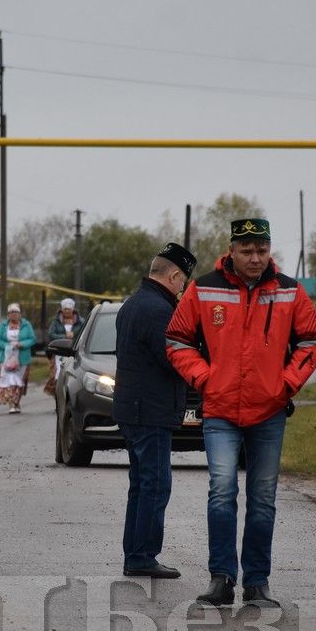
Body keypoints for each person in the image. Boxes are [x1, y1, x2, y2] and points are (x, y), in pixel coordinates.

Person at [166, 218, 316, 608]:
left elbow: (314, 340)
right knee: (222, 491)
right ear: (232, 251)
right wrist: (205, 379)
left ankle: (257, 582)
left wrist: (285, 384)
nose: (255, 258)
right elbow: (176, 339)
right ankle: (221, 578)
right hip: (220, 410)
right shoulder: (204, 288)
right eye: (248, 251)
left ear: (269, 250)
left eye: (262, 250)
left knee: (262, 497)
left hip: (269, 411)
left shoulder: (289, 291)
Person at [114, 243, 196, 580]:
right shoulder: (160, 310)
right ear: (175, 275)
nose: (182, 289)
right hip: (150, 410)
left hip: (132, 409)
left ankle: (135, 552)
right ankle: (143, 556)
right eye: (183, 283)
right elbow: (173, 359)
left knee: (141, 484)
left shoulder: (132, 304)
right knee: (155, 484)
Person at [0, 303, 36, 414]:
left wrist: (21, 344)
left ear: (19, 314)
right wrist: (7, 346)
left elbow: (32, 339)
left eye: (15, 312)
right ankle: (11, 404)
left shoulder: (26, 325)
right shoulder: (3, 326)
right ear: (8, 315)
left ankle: (17, 402)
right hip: (6, 358)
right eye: (11, 312)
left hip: (22, 358)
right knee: (8, 380)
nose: (13, 314)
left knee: (19, 381)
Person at [43, 298, 87, 396]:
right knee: (56, 376)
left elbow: (84, 334)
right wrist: (64, 336)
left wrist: (74, 336)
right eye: (65, 309)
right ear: (62, 309)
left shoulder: (81, 321)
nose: (67, 311)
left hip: (74, 351)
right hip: (58, 352)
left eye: (69, 309)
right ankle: (57, 397)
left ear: (73, 309)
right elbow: (51, 334)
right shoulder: (55, 321)